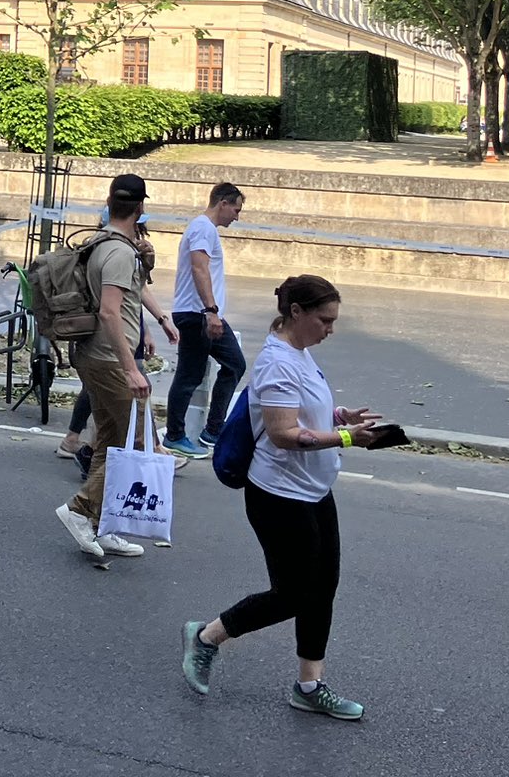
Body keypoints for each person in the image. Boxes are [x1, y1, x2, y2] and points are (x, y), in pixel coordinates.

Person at [182, 275, 382, 721]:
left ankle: (309, 685)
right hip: (279, 497)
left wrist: (337, 416)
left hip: (313, 492)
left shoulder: (301, 353)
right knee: (293, 594)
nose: (331, 329)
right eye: (324, 320)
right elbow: (283, 433)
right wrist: (348, 437)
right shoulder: (277, 361)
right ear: (297, 313)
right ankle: (207, 637)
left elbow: (299, 413)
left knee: (323, 588)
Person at [53, 174, 170, 561]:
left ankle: (104, 523)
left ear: (109, 202)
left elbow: (128, 299)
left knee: (108, 438)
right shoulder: (119, 252)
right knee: (137, 442)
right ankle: (80, 509)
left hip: (92, 354)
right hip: (109, 359)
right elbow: (109, 310)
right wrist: (131, 367)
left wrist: (157, 322)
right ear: (140, 208)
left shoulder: (101, 243)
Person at [165, 183, 249, 459]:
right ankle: (175, 435)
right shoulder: (203, 228)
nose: (236, 216)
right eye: (235, 209)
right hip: (197, 314)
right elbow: (199, 268)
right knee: (190, 375)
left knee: (234, 364)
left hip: (200, 313)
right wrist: (210, 310)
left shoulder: (205, 229)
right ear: (223, 203)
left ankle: (213, 429)